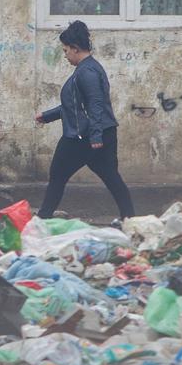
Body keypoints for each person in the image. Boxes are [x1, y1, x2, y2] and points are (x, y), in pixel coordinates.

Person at [34, 21, 135, 225]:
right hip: (100, 132)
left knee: (57, 177)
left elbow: (95, 104)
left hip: (83, 136)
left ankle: (42, 220)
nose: (65, 55)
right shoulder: (89, 68)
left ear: (75, 48)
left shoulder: (86, 72)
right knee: (111, 178)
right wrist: (47, 115)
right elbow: (75, 105)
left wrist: (96, 136)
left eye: (65, 50)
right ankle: (130, 219)